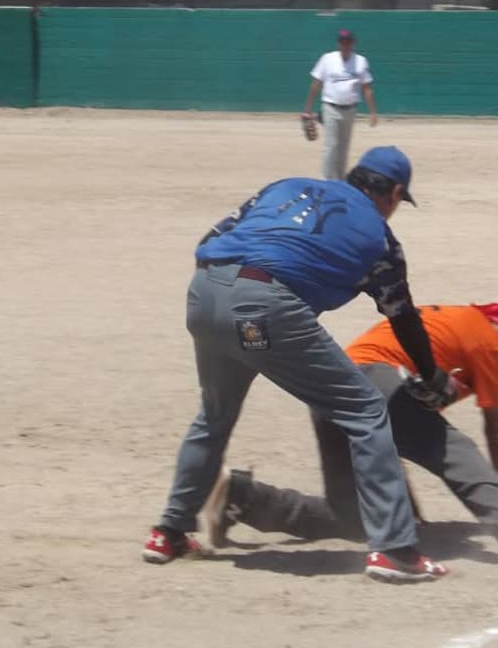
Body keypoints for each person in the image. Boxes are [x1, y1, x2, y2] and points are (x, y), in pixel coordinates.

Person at [143, 146, 458, 583]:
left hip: (203, 293)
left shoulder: (285, 188)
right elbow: (402, 316)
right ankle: (395, 550)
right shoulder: (381, 241)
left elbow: (209, 241)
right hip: (261, 310)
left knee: (214, 414)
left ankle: (168, 532)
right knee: (366, 410)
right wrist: (430, 373)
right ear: (395, 193)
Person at [200, 303, 498, 568]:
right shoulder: (489, 338)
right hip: (373, 380)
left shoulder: (447, 331)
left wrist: (404, 509)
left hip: (329, 384)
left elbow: (399, 436)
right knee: (456, 449)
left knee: (356, 518)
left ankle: (244, 498)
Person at [302, 29, 378, 181]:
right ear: (338, 43)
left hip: (350, 109)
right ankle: (328, 180)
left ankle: (340, 180)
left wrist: (373, 112)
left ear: (353, 43)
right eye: (343, 41)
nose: (345, 44)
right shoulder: (327, 59)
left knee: (343, 147)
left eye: (348, 41)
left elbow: (367, 88)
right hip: (330, 107)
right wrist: (307, 109)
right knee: (331, 146)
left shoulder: (360, 61)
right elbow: (316, 84)